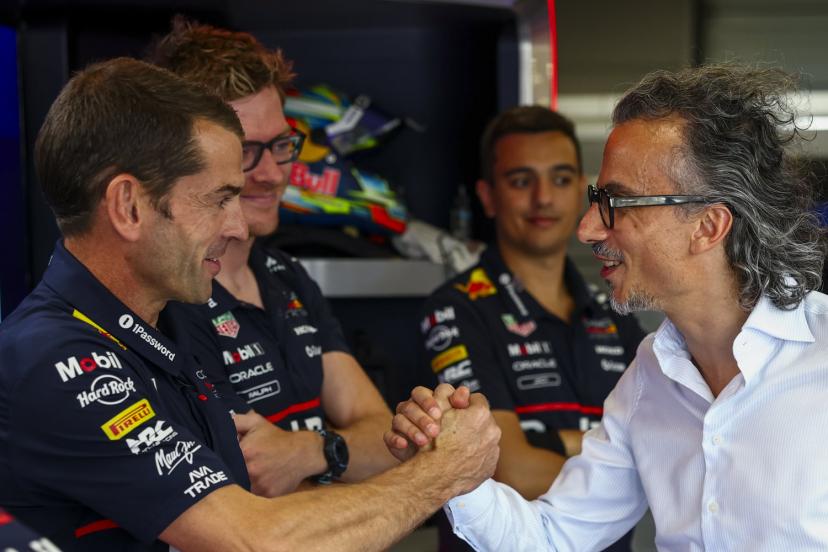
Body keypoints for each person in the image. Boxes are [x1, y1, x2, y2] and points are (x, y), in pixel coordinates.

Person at [0, 57, 500, 551]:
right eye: (219, 199)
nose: (238, 226)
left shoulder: (152, 333)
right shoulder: (56, 357)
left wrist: (384, 454)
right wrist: (441, 473)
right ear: (129, 207)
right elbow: (255, 538)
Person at [388, 64, 828, 551]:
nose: (587, 229)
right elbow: (552, 538)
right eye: (597, 199)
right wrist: (447, 469)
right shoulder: (649, 377)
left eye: (617, 203)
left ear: (707, 227)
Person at [147, 19, 398, 494]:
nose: (273, 174)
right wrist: (346, 461)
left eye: (281, 145)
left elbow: (385, 439)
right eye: (245, 150)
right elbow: (251, 493)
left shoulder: (287, 275)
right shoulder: (167, 300)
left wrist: (311, 451)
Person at [417, 106, 643, 551]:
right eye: (522, 181)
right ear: (488, 196)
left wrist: (545, 441)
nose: (543, 198)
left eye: (560, 179)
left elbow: (669, 444)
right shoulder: (456, 309)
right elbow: (508, 470)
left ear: (581, 190)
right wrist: (621, 458)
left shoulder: (614, 312)